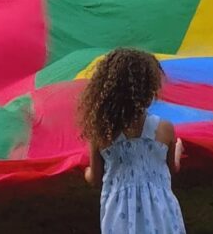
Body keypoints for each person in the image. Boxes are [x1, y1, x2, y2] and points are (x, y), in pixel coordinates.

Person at [77, 48, 186, 233]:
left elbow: (95, 179)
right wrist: (178, 151)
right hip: (161, 216)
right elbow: (171, 169)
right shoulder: (164, 130)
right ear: (149, 89)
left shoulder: (103, 134)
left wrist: (86, 170)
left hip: (120, 218)